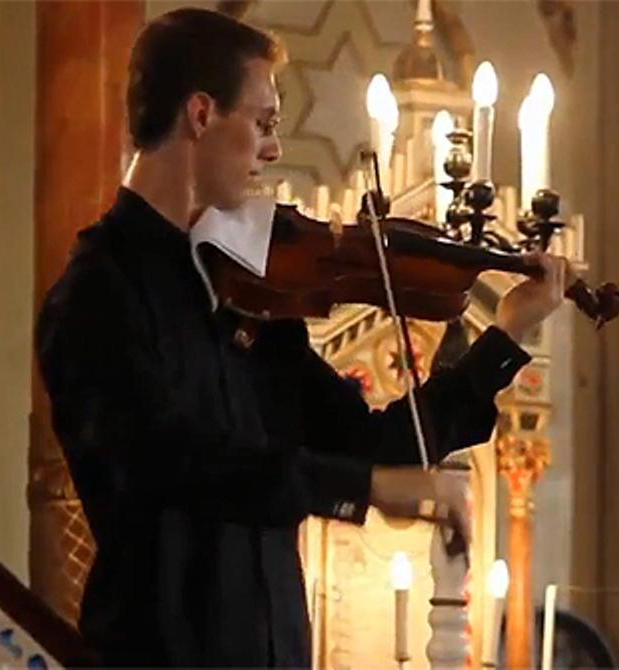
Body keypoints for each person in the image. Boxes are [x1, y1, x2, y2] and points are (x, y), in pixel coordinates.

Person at [35, 7, 567, 667]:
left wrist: (507, 335)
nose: (273, 149)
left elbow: (375, 444)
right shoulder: (96, 294)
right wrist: (365, 488)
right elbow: (169, 461)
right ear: (201, 114)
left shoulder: (244, 293)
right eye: (262, 123)